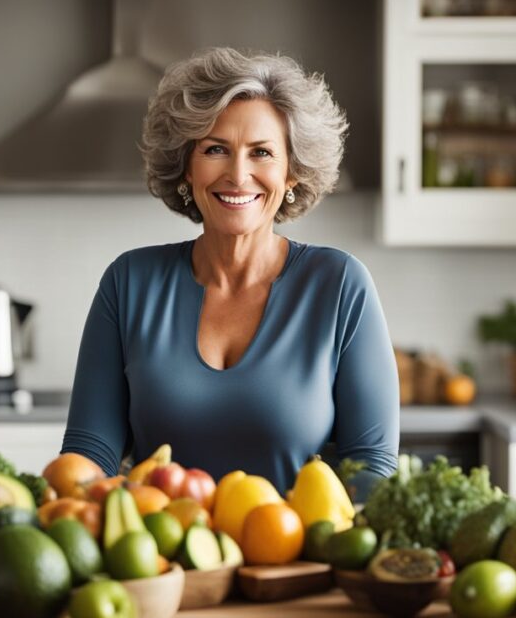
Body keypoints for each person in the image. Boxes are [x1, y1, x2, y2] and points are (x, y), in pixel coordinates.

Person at [58, 47, 399, 495]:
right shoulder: (128, 282)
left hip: (293, 558)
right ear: (186, 167)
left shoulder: (339, 285)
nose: (238, 175)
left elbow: (372, 466)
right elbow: (89, 454)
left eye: (261, 153)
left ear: (292, 173)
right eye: (215, 149)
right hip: (160, 557)